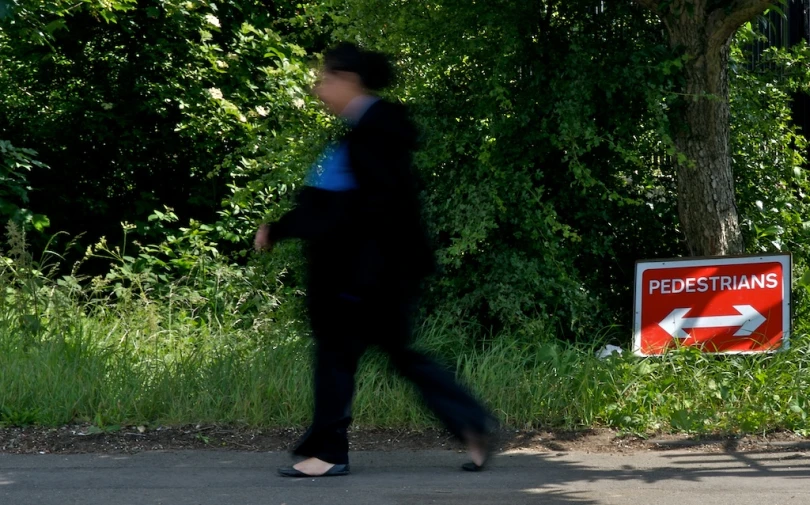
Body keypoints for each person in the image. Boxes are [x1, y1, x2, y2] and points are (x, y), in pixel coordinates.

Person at [254, 42, 496, 478]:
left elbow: (350, 210)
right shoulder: (372, 131)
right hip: (381, 271)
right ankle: (472, 424)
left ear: (350, 80)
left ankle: (328, 453)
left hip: (363, 272)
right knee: (398, 354)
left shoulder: (371, 136)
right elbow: (341, 205)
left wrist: (283, 230)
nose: (318, 88)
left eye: (326, 78)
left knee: (335, 355)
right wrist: (287, 227)